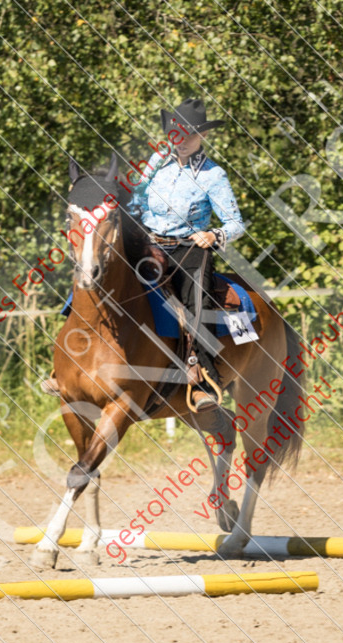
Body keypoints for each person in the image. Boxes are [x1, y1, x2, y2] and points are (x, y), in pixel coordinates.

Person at [129, 97, 246, 411]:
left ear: (203, 136)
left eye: (190, 135)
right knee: (99, 274)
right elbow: (134, 199)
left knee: (196, 303)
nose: (181, 142)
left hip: (189, 248)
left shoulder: (213, 175)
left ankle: (202, 378)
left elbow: (236, 223)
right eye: (176, 134)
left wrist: (213, 234)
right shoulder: (156, 166)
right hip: (149, 244)